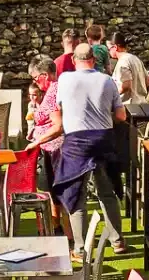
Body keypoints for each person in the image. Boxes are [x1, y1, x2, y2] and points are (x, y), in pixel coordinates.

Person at [37, 43, 128, 255]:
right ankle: (117, 241)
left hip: (76, 142)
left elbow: (60, 109)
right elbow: (121, 116)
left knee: (76, 194)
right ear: (94, 60)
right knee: (106, 192)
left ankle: (80, 249)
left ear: (73, 61)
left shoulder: (64, 80)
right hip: (103, 139)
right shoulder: (106, 80)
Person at [26, 54, 65, 189]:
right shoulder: (57, 87)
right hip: (51, 149)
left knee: (48, 188)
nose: (35, 82)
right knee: (48, 188)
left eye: (36, 78)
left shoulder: (53, 94)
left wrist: (36, 142)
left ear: (45, 75)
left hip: (55, 150)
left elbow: (58, 126)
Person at [109, 30, 149, 105]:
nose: (109, 51)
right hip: (142, 104)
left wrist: (112, 96)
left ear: (115, 47)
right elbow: (148, 80)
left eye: (109, 48)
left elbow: (126, 85)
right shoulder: (135, 58)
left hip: (128, 106)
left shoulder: (122, 62)